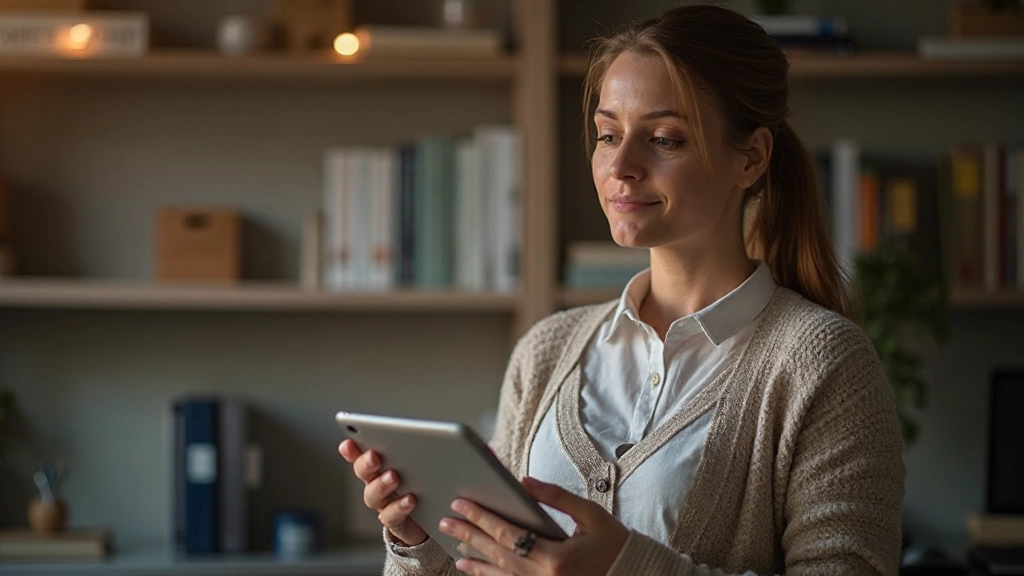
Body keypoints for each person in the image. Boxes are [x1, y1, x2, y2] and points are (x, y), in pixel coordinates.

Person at [340, 4, 904, 575]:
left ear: (751, 157)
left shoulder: (825, 364)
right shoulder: (546, 352)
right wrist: (419, 547)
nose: (622, 166)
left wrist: (625, 569)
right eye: (608, 135)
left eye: (663, 139)